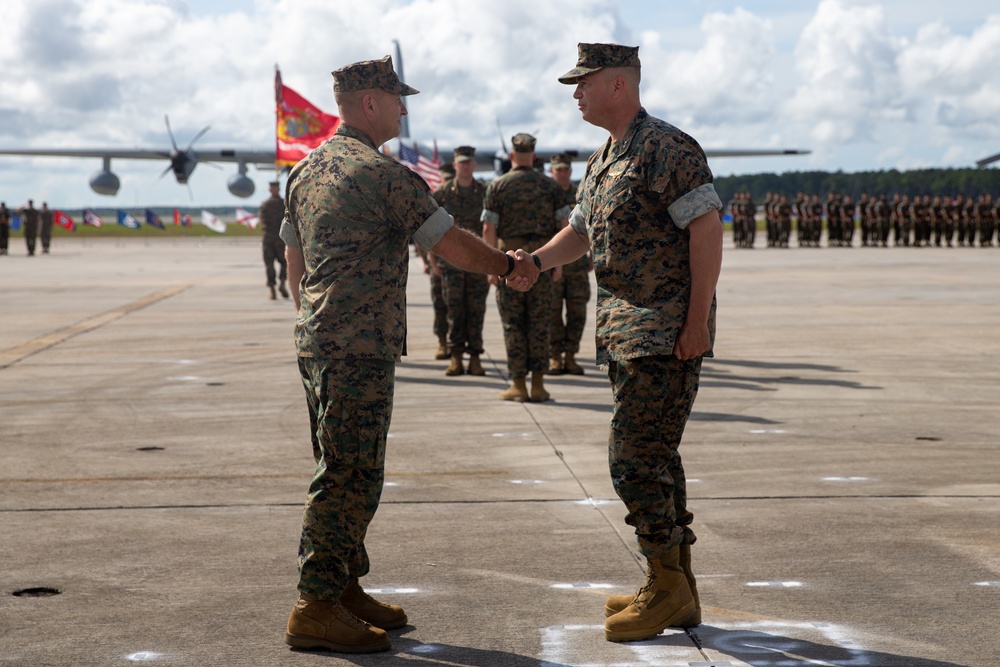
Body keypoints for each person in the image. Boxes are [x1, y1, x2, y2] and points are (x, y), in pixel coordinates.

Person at [278, 55, 537, 654]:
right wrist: (506, 267)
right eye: (398, 99)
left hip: (318, 342)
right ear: (370, 102)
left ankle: (343, 588)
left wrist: (313, 318)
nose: (404, 108)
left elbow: (294, 259)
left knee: (341, 464)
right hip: (359, 347)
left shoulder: (307, 170)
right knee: (350, 475)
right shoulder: (382, 174)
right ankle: (314, 607)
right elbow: (449, 244)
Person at [525, 42, 723, 643]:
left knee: (632, 460)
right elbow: (580, 232)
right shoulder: (605, 156)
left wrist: (695, 322)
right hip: (623, 333)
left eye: (582, 82)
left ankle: (666, 585)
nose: (575, 93)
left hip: (664, 332)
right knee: (658, 459)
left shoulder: (667, 147)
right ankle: (676, 586)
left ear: (618, 83)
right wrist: (530, 262)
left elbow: (707, 231)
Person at [481, 133, 570, 402]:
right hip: (541, 263)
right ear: (533, 156)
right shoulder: (551, 187)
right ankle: (539, 385)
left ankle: (518, 384)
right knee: (540, 324)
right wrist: (558, 265)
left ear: (511, 156)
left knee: (513, 325)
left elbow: (488, 228)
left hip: (509, 265)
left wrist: (491, 268)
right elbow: (564, 226)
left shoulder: (497, 186)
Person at [431, 146, 489, 376]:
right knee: (453, 309)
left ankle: (475, 357)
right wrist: (433, 261)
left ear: (474, 165)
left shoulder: (484, 192)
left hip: (479, 262)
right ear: (455, 165)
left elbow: (491, 228)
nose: (465, 166)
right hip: (451, 263)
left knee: (477, 309)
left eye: (468, 162)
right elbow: (431, 230)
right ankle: (455, 357)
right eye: (461, 163)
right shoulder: (442, 193)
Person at [547, 153, 592, 375]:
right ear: (551, 171)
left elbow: (593, 223)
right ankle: (555, 356)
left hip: (577, 266)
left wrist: (593, 255)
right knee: (553, 312)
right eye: (558, 169)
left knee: (577, 311)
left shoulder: (581, 193)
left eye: (566, 169)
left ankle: (570, 356)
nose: (563, 173)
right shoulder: (544, 194)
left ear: (570, 171)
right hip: (553, 264)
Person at [259, 180, 289, 300]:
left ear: (270, 190)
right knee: (284, 262)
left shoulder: (264, 204)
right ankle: (282, 284)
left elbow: (261, 220)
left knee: (269, 264)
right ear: (278, 190)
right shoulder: (284, 204)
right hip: (281, 238)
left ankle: (272, 290)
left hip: (268, 238)